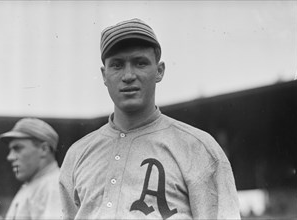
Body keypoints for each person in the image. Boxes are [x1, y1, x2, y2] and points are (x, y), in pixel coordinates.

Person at [59, 18, 241, 219]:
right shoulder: (77, 154)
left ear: (159, 70)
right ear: (104, 75)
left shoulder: (198, 148)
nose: (128, 75)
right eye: (117, 65)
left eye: (140, 63)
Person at [0, 118, 63, 220]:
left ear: (43, 149)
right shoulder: (34, 184)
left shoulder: (55, 186)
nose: (10, 157)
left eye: (17, 148)